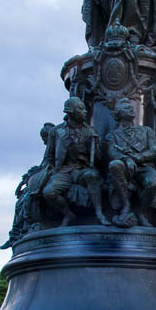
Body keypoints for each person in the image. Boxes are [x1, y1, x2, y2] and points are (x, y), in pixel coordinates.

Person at [42, 97, 109, 226]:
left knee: (93, 175)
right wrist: (45, 172)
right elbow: (49, 156)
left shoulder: (91, 131)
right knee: (48, 192)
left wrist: (93, 148)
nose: (84, 112)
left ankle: (99, 213)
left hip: (81, 169)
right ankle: (68, 214)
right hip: (63, 171)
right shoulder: (56, 131)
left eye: (84, 109)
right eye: (80, 109)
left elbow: (99, 159)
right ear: (70, 112)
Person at [106, 98, 156, 227]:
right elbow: (112, 153)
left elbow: (154, 151)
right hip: (125, 166)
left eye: (130, 107)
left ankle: (142, 212)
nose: (130, 109)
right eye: (125, 108)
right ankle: (126, 205)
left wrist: (138, 157)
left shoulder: (146, 131)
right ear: (118, 113)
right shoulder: (113, 135)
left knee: (152, 184)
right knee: (114, 165)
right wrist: (127, 159)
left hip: (144, 166)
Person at [0, 122, 55, 249]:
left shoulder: (59, 143)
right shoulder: (51, 147)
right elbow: (44, 165)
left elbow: (52, 165)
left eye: (45, 139)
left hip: (55, 174)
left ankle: (22, 229)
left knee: (29, 198)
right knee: (21, 201)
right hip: (46, 174)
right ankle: (16, 233)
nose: (44, 143)